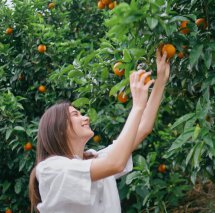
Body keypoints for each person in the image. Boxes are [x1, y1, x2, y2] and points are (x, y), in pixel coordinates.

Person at [28, 49, 170, 213]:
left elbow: (143, 128)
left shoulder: (93, 159)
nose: (86, 117)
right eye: (76, 114)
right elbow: (115, 163)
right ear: (58, 129)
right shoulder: (50, 170)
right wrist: (137, 106)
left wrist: (160, 80)